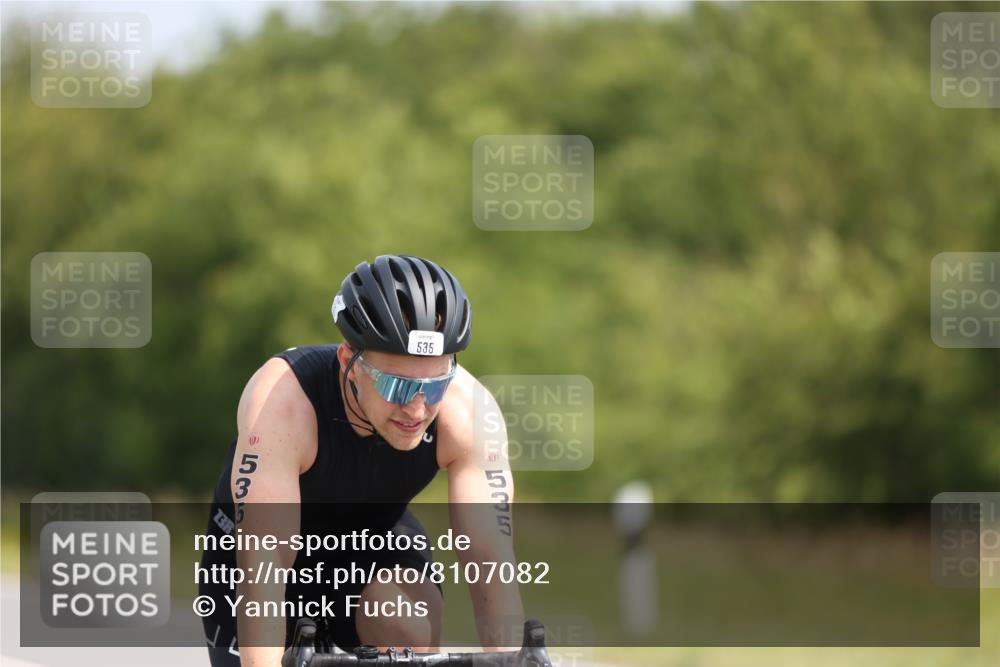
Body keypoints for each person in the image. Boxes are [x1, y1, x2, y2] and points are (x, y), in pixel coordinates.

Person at [199, 255, 522, 667]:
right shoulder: (282, 405)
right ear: (349, 363)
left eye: (436, 383)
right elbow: (264, 568)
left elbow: (491, 566)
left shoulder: (470, 413)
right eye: (397, 385)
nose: (418, 409)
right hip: (261, 561)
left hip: (372, 546)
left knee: (409, 625)